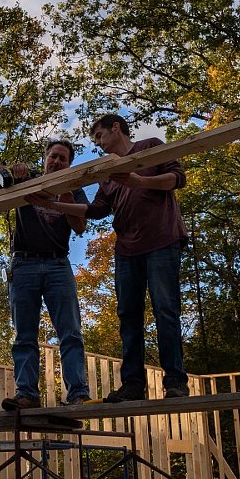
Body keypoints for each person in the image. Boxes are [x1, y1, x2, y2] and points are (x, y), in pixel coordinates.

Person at [31, 114, 189, 401]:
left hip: (162, 242)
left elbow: (178, 179)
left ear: (116, 128)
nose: (99, 144)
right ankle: (132, 385)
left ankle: (175, 382)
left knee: (166, 311)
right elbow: (95, 211)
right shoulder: (107, 174)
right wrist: (54, 204)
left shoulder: (150, 147)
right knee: (128, 318)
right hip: (127, 251)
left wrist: (139, 180)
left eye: (100, 137)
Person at [0, 139, 92, 410]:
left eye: (62, 159)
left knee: (70, 332)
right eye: (53, 157)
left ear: (69, 164)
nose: (56, 162)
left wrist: (65, 194)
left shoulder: (74, 189)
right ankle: (27, 394)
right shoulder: (26, 181)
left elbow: (79, 226)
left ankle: (78, 393)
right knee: (24, 335)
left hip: (57, 265)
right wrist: (9, 170)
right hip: (24, 264)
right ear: (45, 159)